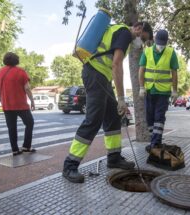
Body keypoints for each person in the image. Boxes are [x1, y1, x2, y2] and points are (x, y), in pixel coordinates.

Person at [62, 22, 153, 183]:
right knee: (93, 120)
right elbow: (116, 64)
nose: (140, 42)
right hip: (95, 74)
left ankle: (114, 158)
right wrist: (121, 98)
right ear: (138, 29)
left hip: (102, 77)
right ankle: (70, 165)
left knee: (113, 117)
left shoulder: (119, 30)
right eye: (142, 38)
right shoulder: (125, 33)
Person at [138, 29, 179, 152]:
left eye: (163, 43)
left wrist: (175, 90)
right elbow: (141, 70)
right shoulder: (147, 51)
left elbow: (174, 73)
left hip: (163, 92)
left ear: (166, 42)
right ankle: (154, 141)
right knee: (150, 118)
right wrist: (141, 87)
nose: (160, 46)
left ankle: (155, 144)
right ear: (155, 40)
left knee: (159, 117)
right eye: (159, 42)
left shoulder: (171, 52)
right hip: (149, 90)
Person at [0, 52, 36, 156]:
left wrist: (2, 99)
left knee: (12, 128)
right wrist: (32, 101)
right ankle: (26, 146)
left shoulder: (0, 72)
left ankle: (15, 150)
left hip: (7, 105)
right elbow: (27, 88)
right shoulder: (21, 71)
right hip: (21, 105)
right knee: (29, 123)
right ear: (16, 60)